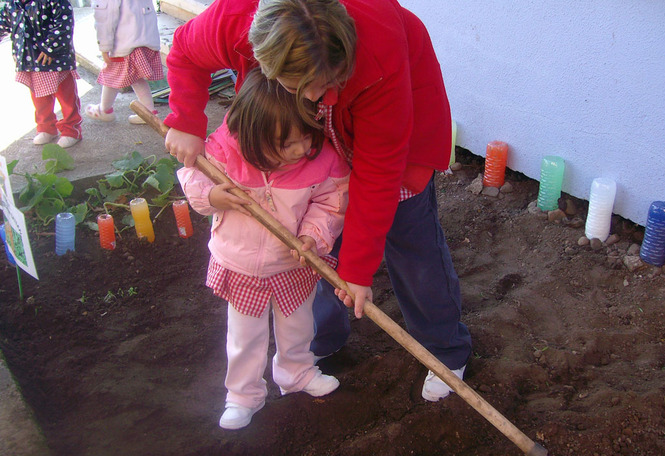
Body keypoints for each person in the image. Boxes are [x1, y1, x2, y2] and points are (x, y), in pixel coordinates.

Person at [165, 0, 472, 402]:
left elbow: (379, 171)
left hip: (397, 130)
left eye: (326, 83)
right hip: (311, 140)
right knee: (320, 239)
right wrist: (185, 121)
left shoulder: (379, 49)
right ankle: (322, 336)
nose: (316, 95)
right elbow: (185, 51)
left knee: (410, 240)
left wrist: (360, 271)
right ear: (263, 56)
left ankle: (444, 351)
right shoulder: (235, 20)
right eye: (301, 85)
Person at [178, 68, 350, 430]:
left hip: (292, 263)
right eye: (287, 144)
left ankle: (297, 373)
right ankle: (243, 395)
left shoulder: (320, 161)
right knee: (245, 337)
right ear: (253, 138)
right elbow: (193, 175)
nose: (302, 149)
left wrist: (313, 237)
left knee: (299, 327)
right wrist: (211, 195)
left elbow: (331, 202)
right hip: (240, 265)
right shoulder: (226, 151)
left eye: (306, 136)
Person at [0, 0, 83, 148]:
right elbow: (3, 25)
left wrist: (51, 47)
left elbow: (64, 23)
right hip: (30, 60)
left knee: (66, 97)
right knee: (40, 99)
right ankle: (46, 128)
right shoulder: (12, 5)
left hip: (56, 60)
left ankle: (71, 130)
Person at [85, 0, 163, 124]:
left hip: (124, 42)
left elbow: (104, 18)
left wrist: (104, 46)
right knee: (137, 78)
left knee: (111, 75)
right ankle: (149, 112)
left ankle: (104, 110)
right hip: (144, 39)